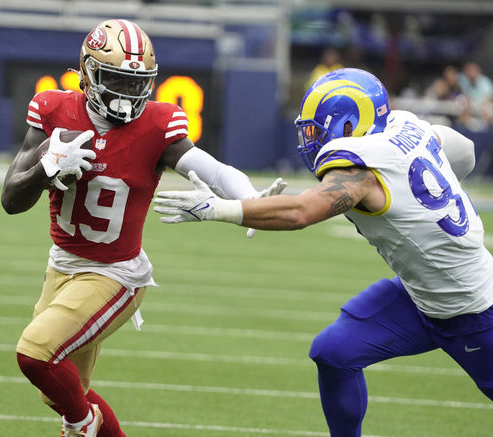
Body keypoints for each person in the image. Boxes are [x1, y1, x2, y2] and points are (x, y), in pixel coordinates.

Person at [154, 68, 493, 436]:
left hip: (474, 312)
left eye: (316, 129)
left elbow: (301, 211)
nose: (310, 140)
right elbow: (466, 151)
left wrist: (219, 209)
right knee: (334, 352)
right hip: (420, 295)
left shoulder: (362, 170)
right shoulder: (407, 127)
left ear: (350, 125)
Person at [1, 18, 284, 437]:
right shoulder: (53, 110)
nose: (128, 94)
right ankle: (87, 420)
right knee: (62, 389)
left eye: (138, 83)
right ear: (90, 72)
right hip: (61, 266)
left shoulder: (156, 126)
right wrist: (45, 169)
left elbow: (213, 169)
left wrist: (250, 198)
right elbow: (11, 199)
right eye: (118, 80)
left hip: (116, 274)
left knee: (36, 355)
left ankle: (83, 425)